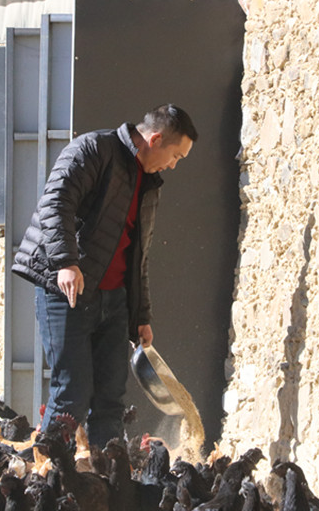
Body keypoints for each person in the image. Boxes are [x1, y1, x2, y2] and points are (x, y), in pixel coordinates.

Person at [12, 103, 198, 447]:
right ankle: (45, 472)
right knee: (71, 394)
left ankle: (105, 474)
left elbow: (138, 254)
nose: (173, 165)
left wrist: (140, 316)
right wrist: (66, 262)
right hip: (66, 293)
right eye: (176, 156)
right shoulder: (92, 149)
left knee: (110, 400)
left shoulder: (150, 183)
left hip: (114, 303)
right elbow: (56, 203)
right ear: (156, 139)